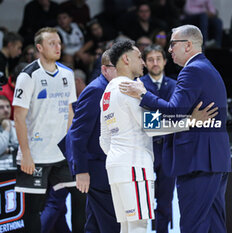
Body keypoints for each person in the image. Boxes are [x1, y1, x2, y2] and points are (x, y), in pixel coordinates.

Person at [119, 25, 231, 233]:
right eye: (143, 58)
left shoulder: (191, 71)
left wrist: (143, 95)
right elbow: (154, 122)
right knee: (213, 225)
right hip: (210, 158)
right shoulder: (206, 68)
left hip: (197, 160)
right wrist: (188, 121)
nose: (168, 50)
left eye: (172, 44)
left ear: (188, 45)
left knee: (192, 225)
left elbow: (170, 112)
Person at [99, 39, 215, 233]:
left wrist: (118, 155)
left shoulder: (108, 90)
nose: (143, 62)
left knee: (127, 226)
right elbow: (152, 126)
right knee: (139, 225)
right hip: (134, 164)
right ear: (126, 59)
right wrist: (190, 121)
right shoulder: (129, 87)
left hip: (115, 164)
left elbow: (104, 138)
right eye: (139, 57)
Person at [12, 27, 85, 233]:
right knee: (34, 209)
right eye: (52, 43)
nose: (57, 46)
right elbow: (18, 116)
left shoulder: (67, 73)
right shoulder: (28, 75)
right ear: (39, 47)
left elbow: (70, 112)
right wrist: (25, 153)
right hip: (36, 154)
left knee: (81, 198)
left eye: (59, 43)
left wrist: (73, 147)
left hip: (63, 153)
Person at [60, 49, 121, 233]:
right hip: (97, 168)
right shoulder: (96, 90)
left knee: (94, 225)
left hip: (107, 166)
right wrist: (81, 170)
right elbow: (76, 133)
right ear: (104, 69)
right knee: (111, 225)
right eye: (118, 67)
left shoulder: (119, 87)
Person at [141, 44, 176, 233]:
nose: (155, 63)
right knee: (142, 199)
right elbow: (144, 121)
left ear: (164, 61)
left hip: (168, 148)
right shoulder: (138, 85)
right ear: (145, 63)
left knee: (165, 199)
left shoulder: (174, 84)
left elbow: (177, 116)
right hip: (145, 147)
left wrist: (159, 116)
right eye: (150, 59)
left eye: (158, 59)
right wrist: (169, 117)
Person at [0, 95, 18, 169]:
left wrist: (9, 150)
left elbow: (20, 148)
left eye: (8, 106)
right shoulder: (8, 126)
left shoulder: (17, 125)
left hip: (16, 168)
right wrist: (6, 129)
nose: (6, 110)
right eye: (1, 107)